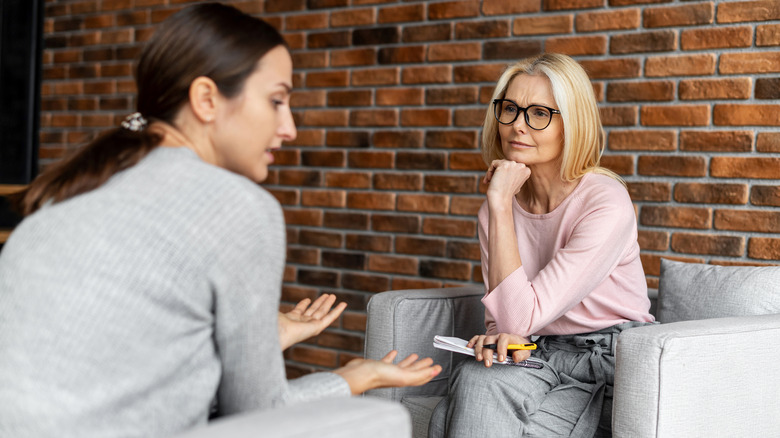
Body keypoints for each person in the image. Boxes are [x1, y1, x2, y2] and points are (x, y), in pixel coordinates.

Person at [0, 3, 440, 437]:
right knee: (377, 420)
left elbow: (127, 369)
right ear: (207, 99)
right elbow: (258, 414)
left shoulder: (72, 192)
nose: (289, 128)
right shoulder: (239, 206)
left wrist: (272, 335)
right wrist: (356, 376)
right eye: (276, 100)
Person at [428, 53, 655, 438]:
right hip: (538, 351)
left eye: (538, 113)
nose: (518, 126)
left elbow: (520, 317)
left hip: (608, 360)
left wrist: (498, 204)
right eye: (510, 109)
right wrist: (496, 338)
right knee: (474, 379)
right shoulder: (498, 210)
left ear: (572, 123)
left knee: (464, 406)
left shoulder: (605, 202)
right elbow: (506, 322)